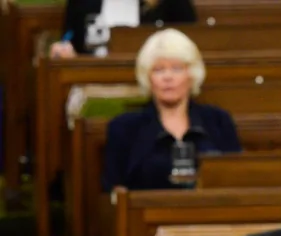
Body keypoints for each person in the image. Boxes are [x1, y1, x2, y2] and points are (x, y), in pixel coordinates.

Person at [100, 29, 241, 193]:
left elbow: (236, 182)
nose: (168, 77)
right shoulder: (124, 128)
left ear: (191, 75)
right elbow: (114, 189)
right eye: (158, 70)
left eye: (177, 69)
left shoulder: (218, 121)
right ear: (148, 77)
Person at [50, 0, 196, 58]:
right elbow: (69, 37)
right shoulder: (83, 2)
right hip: (91, 75)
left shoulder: (170, 3)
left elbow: (191, 38)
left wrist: (156, 7)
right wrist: (65, 49)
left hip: (153, 78)